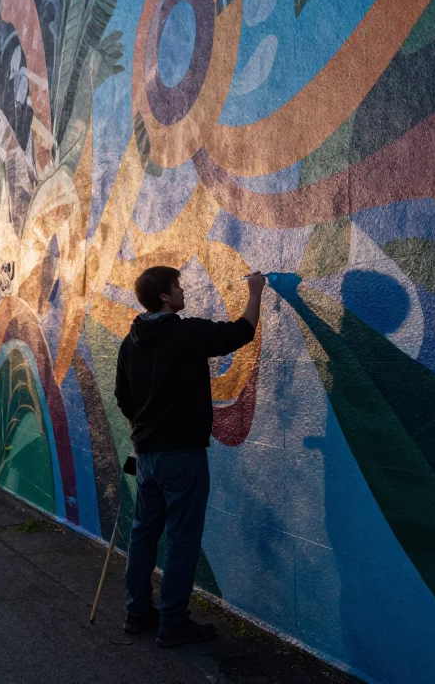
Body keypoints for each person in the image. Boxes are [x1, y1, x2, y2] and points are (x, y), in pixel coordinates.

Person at [115, 266, 265, 647]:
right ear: (165, 296)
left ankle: (137, 612)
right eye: (177, 286)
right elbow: (241, 332)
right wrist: (255, 291)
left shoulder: (129, 342)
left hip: (146, 453)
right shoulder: (184, 332)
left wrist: (144, 428)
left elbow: (123, 397)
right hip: (182, 453)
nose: (183, 291)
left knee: (144, 533)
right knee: (182, 538)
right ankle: (173, 622)